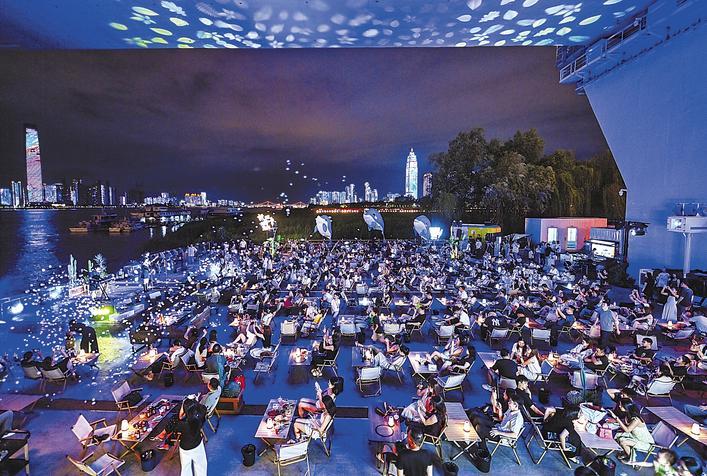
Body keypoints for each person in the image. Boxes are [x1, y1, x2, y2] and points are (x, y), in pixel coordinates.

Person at [177, 398, 208, 476]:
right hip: (197, 445)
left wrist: (183, 405)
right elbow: (203, 407)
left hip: (185, 448)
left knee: (185, 468)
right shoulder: (200, 416)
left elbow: (180, 417)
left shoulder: (181, 424)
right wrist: (194, 401)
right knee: (201, 466)